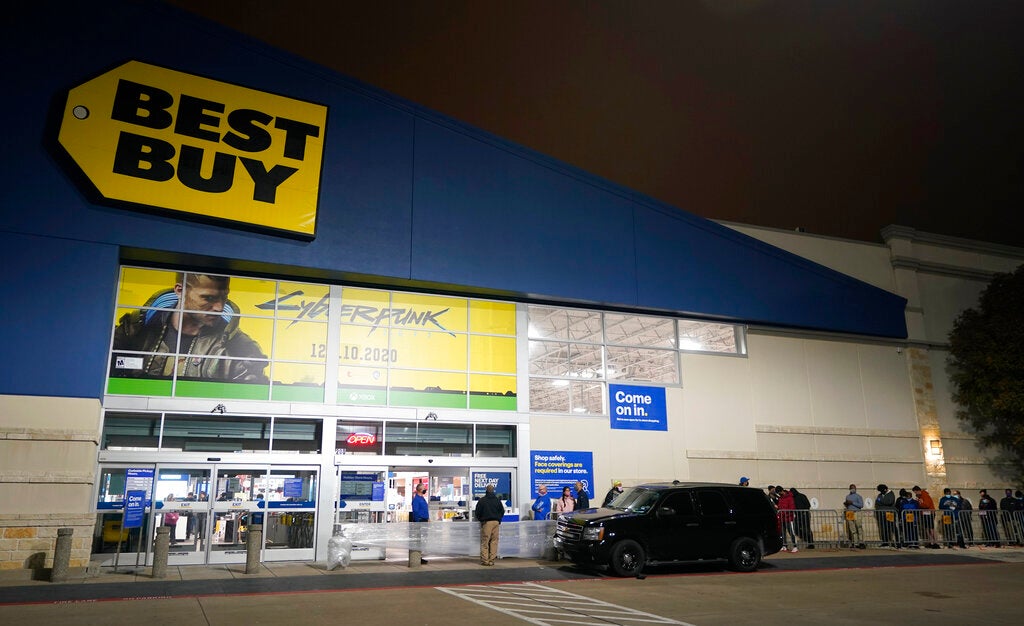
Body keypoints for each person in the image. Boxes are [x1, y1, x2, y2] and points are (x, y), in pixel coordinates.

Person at [111, 272, 268, 383]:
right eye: (208, 298)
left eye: (223, 297)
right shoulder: (134, 330)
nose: (219, 307)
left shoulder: (238, 348)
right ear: (180, 291)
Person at [475, 483, 505, 566]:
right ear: (493, 491)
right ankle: (492, 560)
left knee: (485, 542)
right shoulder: (497, 500)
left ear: (486, 490)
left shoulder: (482, 500)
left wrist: (481, 520)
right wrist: (498, 519)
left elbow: (477, 512)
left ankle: (485, 560)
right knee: (494, 541)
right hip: (496, 523)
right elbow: (502, 511)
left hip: (487, 523)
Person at [410, 483, 429, 564]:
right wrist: (417, 523)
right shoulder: (416, 500)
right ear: (420, 490)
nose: (425, 490)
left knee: (423, 540)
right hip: (420, 521)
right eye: (424, 488)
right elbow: (416, 512)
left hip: (424, 520)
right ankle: (418, 557)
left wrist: (428, 518)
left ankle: (420, 556)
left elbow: (425, 510)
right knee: (419, 541)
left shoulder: (422, 498)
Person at [843, 484, 866, 549]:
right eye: (851, 488)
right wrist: (846, 504)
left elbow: (861, 505)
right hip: (849, 513)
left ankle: (861, 542)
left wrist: (852, 503)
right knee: (852, 529)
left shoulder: (858, 496)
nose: (852, 489)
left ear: (855, 489)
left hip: (857, 512)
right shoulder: (847, 496)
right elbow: (848, 505)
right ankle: (855, 543)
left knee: (859, 527)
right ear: (849, 489)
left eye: (853, 488)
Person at [777, 487, 798, 552]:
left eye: (779, 493)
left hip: (789, 518)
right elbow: (780, 507)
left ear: (782, 491)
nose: (779, 494)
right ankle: (784, 545)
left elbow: (792, 508)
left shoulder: (790, 498)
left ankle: (795, 546)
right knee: (783, 533)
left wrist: (783, 513)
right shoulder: (780, 498)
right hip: (782, 518)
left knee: (791, 532)